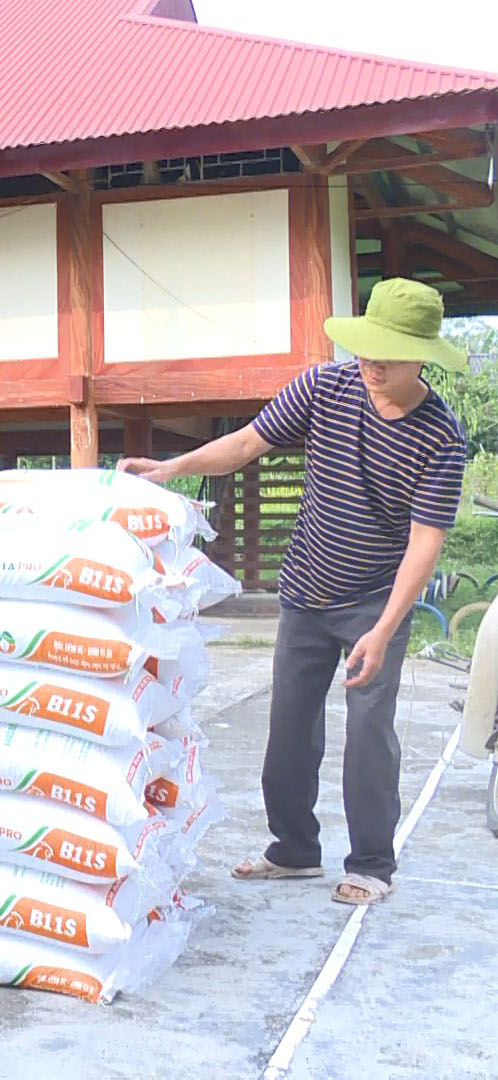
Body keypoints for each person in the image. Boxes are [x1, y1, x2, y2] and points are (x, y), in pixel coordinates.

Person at [120, 277, 469, 906]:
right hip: (307, 589)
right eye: (366, 352)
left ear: (421, 357)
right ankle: (294, 849)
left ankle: (371, 863)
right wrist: (171, 469)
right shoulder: (325, 387)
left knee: (369, 733)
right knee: (289, 728)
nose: (371, 367)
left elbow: (425, 541)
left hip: (376, 602)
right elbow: (247, 442)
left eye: (387, 358)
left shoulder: (441, 436)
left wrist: (385, 629)